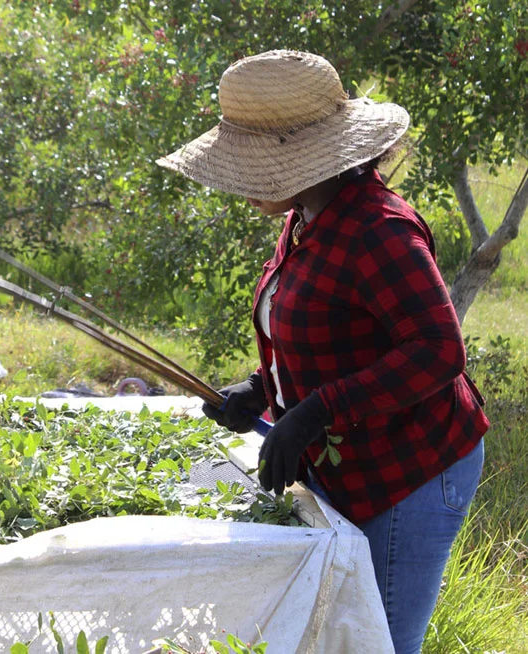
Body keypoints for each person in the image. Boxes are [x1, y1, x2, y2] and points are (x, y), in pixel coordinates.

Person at [156, 50, 489, 654]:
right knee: (335, 633)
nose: (245, 182)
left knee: (377, 641)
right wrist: (262, 389)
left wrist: (313, 411)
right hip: (352, 459)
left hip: (410, 469)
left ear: (303, 158)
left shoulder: (379, 230)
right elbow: (328, 332)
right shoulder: (309, 215)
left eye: (258, 164)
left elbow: (439, 351)